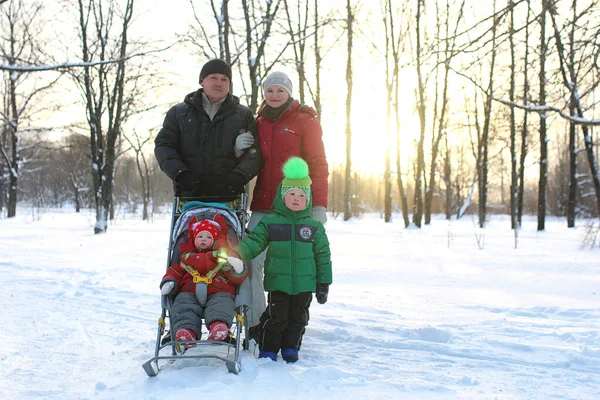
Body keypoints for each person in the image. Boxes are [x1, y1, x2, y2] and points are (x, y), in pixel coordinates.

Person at [246, 71, 329, 330]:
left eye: (280, 90)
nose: (274, 95)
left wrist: (318, 205)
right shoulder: (257, 122)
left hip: (296, 207)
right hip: (263, 204)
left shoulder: (305, 121)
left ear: (289, 93)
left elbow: (318, 163)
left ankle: (289, 322)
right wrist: (241, 145)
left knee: (293, 263)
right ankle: (256, 322)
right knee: (251, 262)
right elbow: (251, 159)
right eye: (269, 90)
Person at [228, 157, 332, 363]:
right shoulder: (271, 223)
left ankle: (291, 347)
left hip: (304, 285)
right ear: (281, 196)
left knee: (298, 319)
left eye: (301, 195)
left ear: (308, 200)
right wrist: (238, 253)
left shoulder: (314, 227)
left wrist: (323, 283)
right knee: (277, 318)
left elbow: (323, 256)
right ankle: (269, 348)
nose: (296, 198)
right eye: (291, 194)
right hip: (278, 283)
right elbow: (254, 241)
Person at [154, 58, 262, 202]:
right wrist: (181, 174)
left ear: (229, 84)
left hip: (229, 197)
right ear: (201, 81)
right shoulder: (178, 113)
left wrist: (238, 177)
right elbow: (164, 146)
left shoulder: (243, 115)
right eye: (213, 78)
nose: (219, 83)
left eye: (224, 79)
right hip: (188, 196)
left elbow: (255, 153)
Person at [160, 213, 248, 348]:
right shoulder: (185, 257)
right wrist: (170, 280)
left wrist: (237, 267)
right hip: (189, 290)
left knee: (221, 303)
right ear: (194, 238)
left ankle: (218, 327)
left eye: (208, 237)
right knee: (183, 306)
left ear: (215, 240)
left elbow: (233, 276)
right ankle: (186, 332)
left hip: (218, 289)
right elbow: (176, 270)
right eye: (200, 236)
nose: (203, 239)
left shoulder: (222, 256)